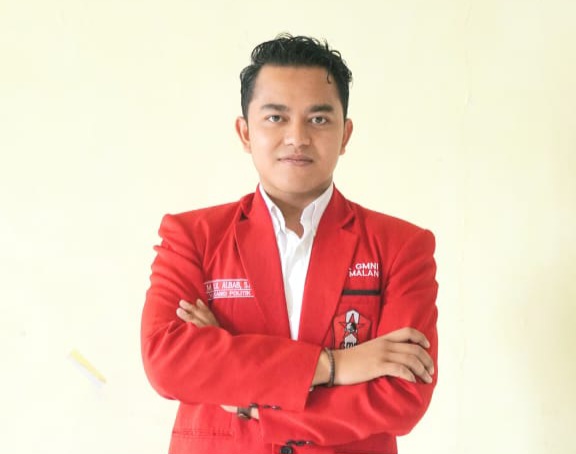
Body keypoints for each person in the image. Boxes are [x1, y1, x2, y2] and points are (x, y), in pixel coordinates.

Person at [141, 34, 438, 454]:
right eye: (276, 117)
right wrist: (337, 366)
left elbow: (402, 397)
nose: (297, 137)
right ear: (245, 132)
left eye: (318, 119)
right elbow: (168, 362)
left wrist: (247, 396)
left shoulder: (401, 247)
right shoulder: (194, 237)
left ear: (345, 134)